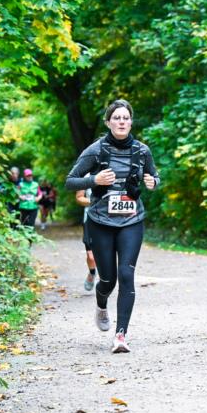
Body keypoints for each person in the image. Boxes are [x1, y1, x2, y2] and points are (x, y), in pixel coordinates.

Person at [65, 99, 160, 353]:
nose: (121, 122)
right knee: (108, 280)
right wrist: (94, 179)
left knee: (127, 275)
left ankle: (121, 335)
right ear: (108, 122)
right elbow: (70, 181)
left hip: (132, 220)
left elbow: (154, 176)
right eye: (116, 118)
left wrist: (153, 182)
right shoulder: (96, 150)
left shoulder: (142, 151)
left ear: (131, 122)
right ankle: (101, 302)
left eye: (125, 118)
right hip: (101, 222)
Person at [75, 187, 97, 291]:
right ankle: (92, 273)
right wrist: (95, 201)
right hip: (89, 218)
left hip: (108, 219)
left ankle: (107, 279)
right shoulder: (86, 176)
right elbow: (79, 198)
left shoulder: (113, 173)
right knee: (91, 256)